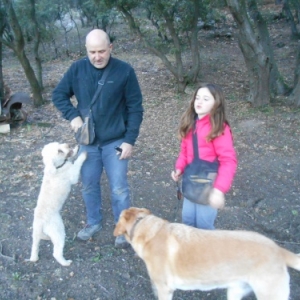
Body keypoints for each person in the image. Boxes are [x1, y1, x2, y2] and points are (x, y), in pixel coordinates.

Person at [52, 29, 143, 248]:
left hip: (116, 141)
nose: (97, 56)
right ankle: (93, 222)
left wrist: (129, 140)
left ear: (110, 48)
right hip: (88, 143)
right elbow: (59, 95)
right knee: (88, 186)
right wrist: (73, 116)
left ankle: (123, 228)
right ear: (86, 50)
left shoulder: (124, 71)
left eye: (102, 51)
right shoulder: (77, 69)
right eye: (92, 52)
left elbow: (135, 108)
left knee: (119, 188)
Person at [171, 83, 237, 229]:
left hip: (209, 186)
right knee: (187, 222)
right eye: (198, 98)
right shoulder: (190, 124)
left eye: (206, 99)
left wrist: (219, 190)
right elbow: (184, 151)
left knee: (203, 227)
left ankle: (208, 252)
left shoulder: (219, 129)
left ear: (216, 104)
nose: (199, 102)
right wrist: (179, 168)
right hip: (191, 183)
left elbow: (228, 161)